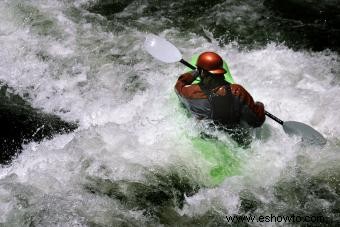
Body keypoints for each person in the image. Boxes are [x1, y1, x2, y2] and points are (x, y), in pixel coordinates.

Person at [175, 52, 265, 141]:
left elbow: (179, 85)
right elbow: (257, 121)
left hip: (207, 134)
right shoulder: (238, 92)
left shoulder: (191, 93)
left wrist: (196, 72)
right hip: (234, 135)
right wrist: (259, 106)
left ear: (202, 72)